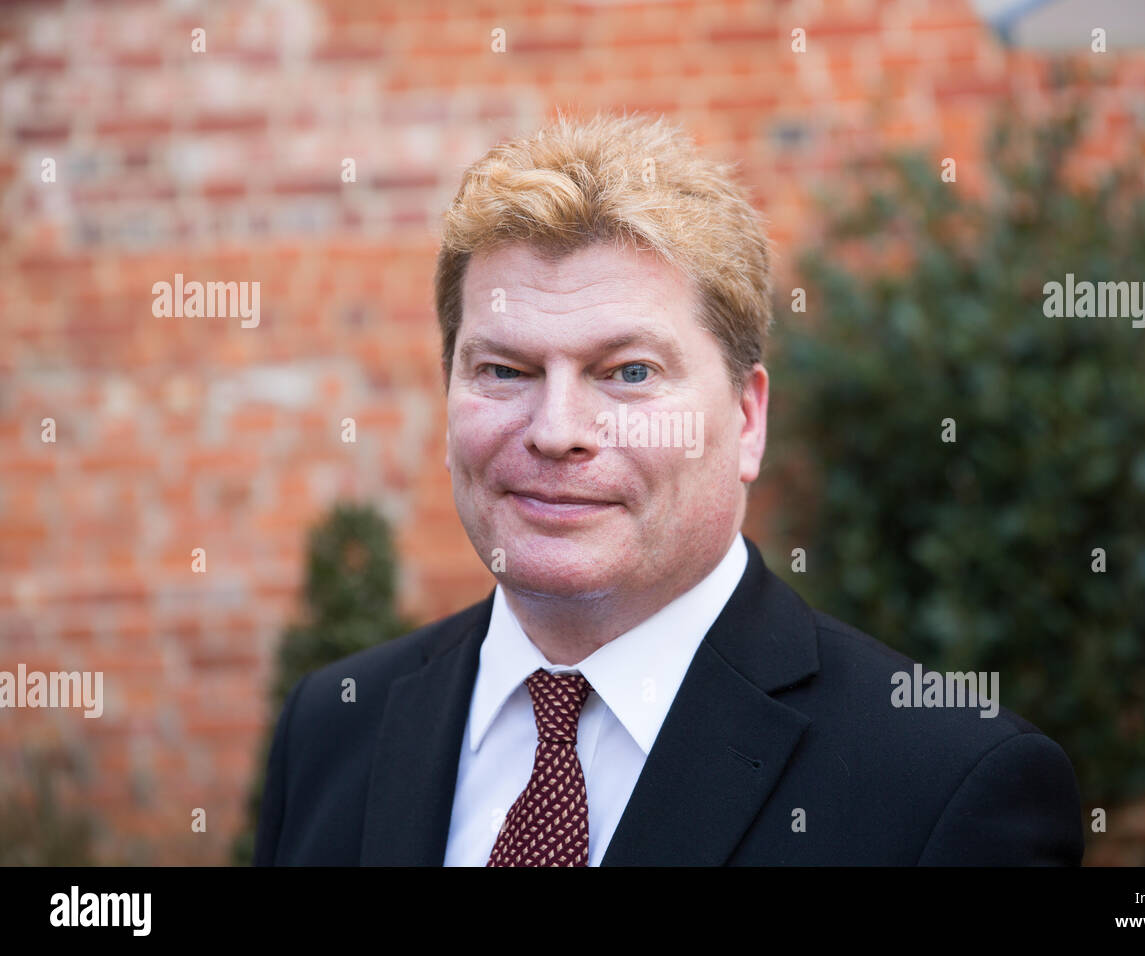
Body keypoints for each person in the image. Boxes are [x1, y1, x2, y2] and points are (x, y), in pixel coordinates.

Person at [253, 111, 1083, 866]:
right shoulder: (333, 726)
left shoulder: (944, 786)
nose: (556, 429)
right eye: (504, 370)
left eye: (629, 372)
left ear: (748, 418)